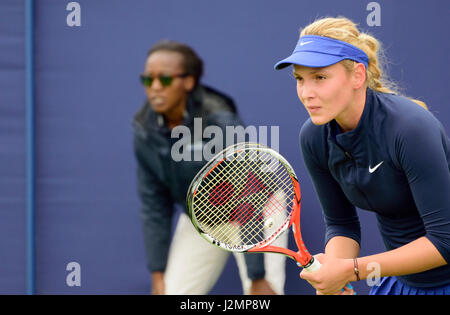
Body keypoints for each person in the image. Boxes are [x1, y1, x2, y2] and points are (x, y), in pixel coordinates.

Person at [274, 17, 450, 295]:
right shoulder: (314, 137)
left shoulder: (411, 128)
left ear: (357, 75)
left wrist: (351, 269)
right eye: (300, 79)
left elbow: (445, 241)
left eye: (320, 77)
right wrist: (334, 274)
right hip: (402, 283)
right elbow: (341, 223)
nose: (307, 93)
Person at [133, 40, 287, 295]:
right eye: (148, 80)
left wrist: (256, 275)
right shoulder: (144, 129)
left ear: (189, 82)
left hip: (257, 208)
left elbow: (249, 191)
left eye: (166, 79)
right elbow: (154, 205)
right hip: (202, 216)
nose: (156, 88)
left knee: (262, 295)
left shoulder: (221, 119)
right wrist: (158, 274)